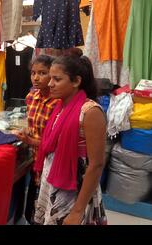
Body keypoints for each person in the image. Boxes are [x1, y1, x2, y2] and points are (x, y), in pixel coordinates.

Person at [33, 53, 107, 225]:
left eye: (57, 79)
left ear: (76, 81)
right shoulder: (60, 107)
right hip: (54, 184)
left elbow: (96, 164)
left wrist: (77, 211)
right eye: (50, 78)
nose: (50, 84)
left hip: (75, 192)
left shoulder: (90, 112)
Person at [14, 55, 58, 223]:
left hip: (50, 161)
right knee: (32, 202)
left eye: (42, 73)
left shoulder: (58, 103)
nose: (36, 78)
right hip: (33, 159)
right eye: (33, 73)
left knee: (47, 207)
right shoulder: (31, 97)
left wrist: (29, 141)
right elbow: (32, 125)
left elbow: (57, 143)